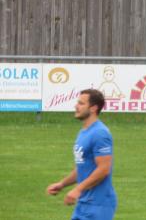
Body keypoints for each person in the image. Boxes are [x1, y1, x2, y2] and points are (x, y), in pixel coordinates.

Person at [46, 89, 117, 219]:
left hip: (98, 205)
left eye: (81, 103)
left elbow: (104, 169)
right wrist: (62, 184)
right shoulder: (84, 132)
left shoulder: (100, 133)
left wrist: (78, 189)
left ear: (93, 108)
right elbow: (82, 167)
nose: (76, 106)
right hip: (84, 203)